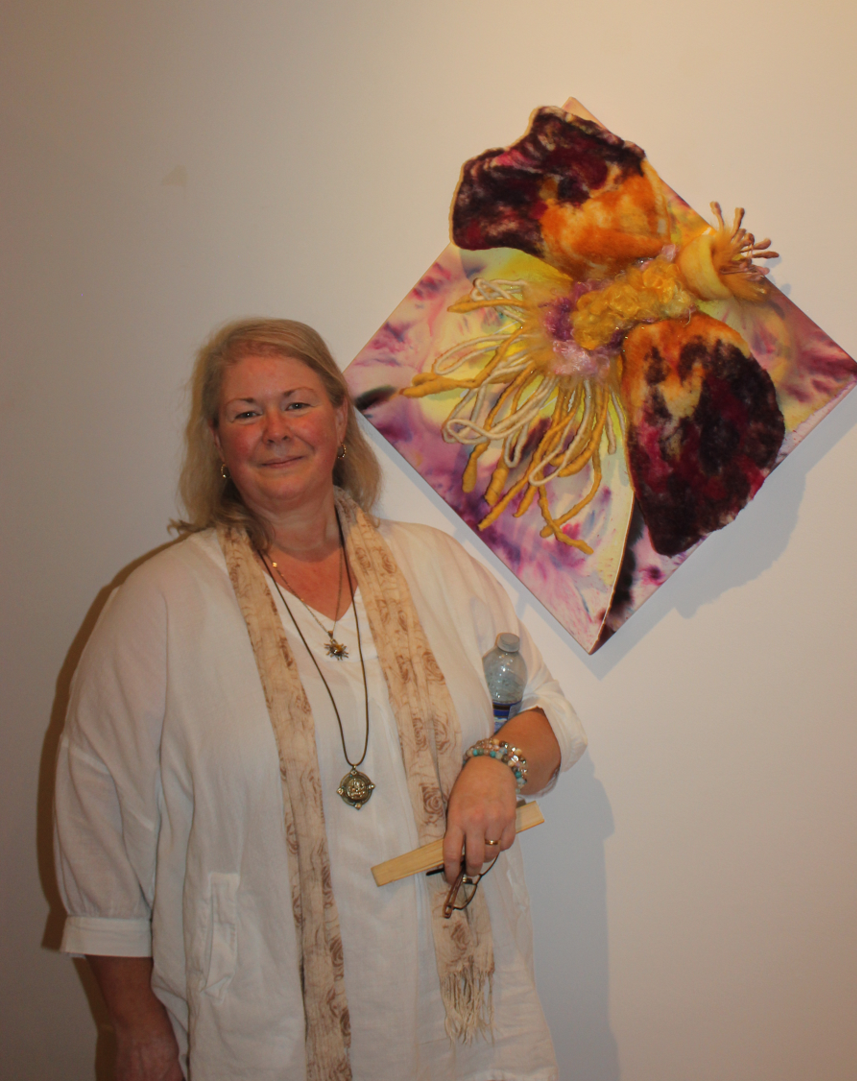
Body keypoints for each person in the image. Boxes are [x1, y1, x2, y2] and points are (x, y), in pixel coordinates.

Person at [54, 318, 587, 1081]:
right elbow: (98, 832)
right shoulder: (157, 604)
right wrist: (138, 1030)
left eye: (297, 403)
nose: (275, 430)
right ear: (216, 440)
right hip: (264, 1022)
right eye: (246, 413)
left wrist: (496, 764)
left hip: (460, 1019)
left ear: (340, 418)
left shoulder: (438, 567)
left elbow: (551, 719)